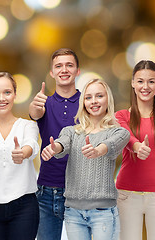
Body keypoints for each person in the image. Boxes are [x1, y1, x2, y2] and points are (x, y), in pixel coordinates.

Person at [41, 78, 129, 240]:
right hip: (73, 212)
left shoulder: (118, 132)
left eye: (99, 96)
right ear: (83, 103)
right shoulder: (71, 132)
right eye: (88, 97)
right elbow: (63, 143)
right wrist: (55, 148)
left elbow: (111, 144)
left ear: (108, 99)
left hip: (103, 212)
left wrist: (98, 150)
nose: (94, 101)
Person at [115, 60, 155, 240]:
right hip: (127, 196)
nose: (145, 86)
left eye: (151, 81)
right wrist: (136, 146)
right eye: (141, 81)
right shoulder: (121, 116)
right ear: (133, 83)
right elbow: (125, 135)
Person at [0, 72, 40, 239]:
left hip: (24, 205)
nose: (1, 98)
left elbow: (31, 145)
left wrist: (23, 153)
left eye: (7, 92)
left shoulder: (28, 125)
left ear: (15, 95)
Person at [29, 48, 81, 240]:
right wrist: (34, 107)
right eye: (58, 66)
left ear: (77, 71)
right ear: (52, 72)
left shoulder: (88, 103)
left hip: (80, 192)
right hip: (46, 193)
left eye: (69, 65)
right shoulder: (44, 103)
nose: (64, 70)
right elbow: (35, 114)